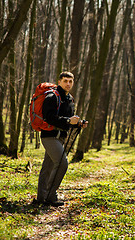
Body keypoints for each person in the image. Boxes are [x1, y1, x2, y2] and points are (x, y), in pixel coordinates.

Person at [33, 71, 87, 207]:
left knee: (48, 167)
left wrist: (79, 123)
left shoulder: (70, 99)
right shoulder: (52, 96)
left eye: (70, 81)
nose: (68, 84)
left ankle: (41, 198)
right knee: (62, 164)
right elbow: (49, 117)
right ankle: (51, 196)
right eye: (65, 81)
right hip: (49, 136)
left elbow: (67, 122)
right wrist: (69, 120)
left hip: (61, 137)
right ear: (59, 82)